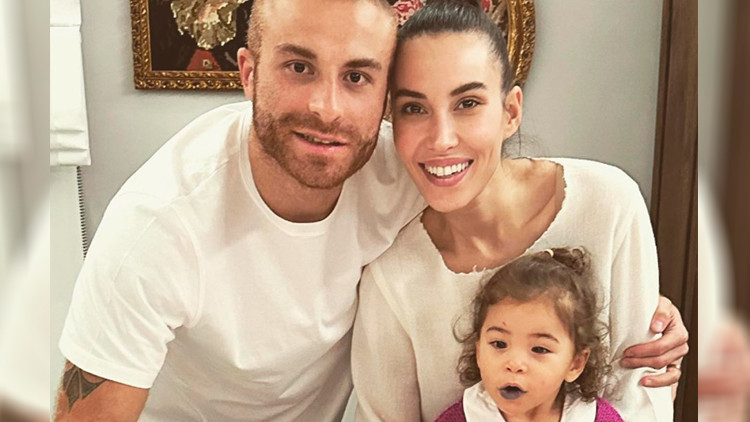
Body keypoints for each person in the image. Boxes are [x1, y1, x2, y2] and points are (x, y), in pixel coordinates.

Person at [53, 0, 686, 420]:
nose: (327, 108)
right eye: (298, 66)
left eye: (357, 76)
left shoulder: (406, 168)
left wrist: (638, 305)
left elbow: (490, 186)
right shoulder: (158, 225)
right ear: (247, 72)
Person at [350, 1, 681, 421]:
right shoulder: (392, 279)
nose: (442, 138)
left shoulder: (610, 204)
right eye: (414, 108)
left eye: (467, 103)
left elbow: (643, 397)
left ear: (510, 112)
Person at [435, 247, 624, 422]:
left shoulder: (595, 418)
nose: (514, 364)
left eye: (539, 349)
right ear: (478, 352)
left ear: (575, 364)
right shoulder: (461, 417)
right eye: (499, 344)